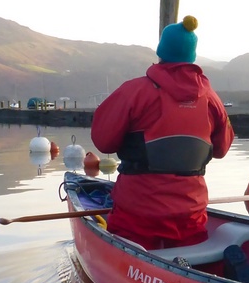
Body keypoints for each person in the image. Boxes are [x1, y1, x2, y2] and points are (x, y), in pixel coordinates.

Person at [91, 16, 234, 250]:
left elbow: (103, 142)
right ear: (192, 56)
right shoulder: (212, 99)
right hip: (190, 216)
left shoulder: (133, 92)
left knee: (127, 235)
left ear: (161, 52)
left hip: (136, 217)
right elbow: (222, 149)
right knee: (193, 244)